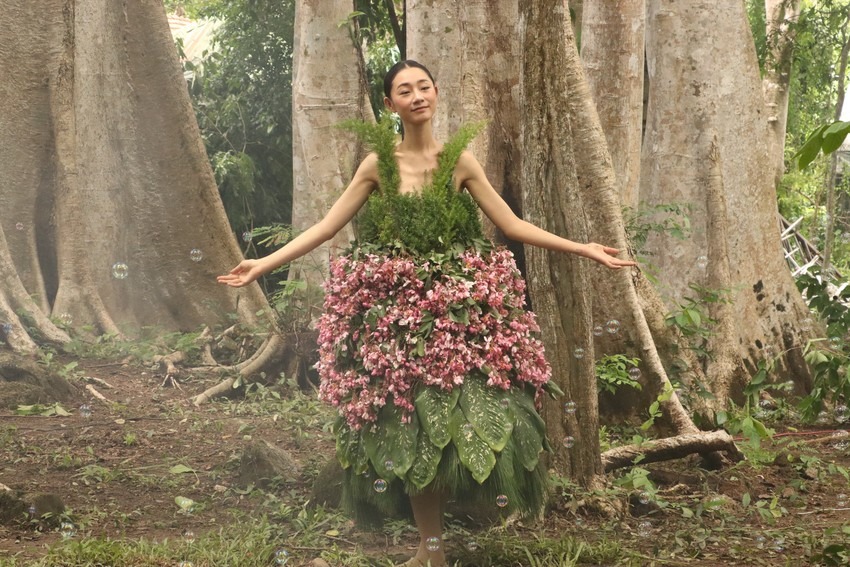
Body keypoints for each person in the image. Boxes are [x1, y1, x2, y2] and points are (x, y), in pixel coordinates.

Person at [219, 60, 635, 567]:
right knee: (409, 427)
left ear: (435, 93)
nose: (416, 96)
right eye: (403, 90)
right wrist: (262, 263)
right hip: (395, 319)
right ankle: (430, 550)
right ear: (390, 104)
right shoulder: (378, 165)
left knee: (459, 423)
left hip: (459, 316)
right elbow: (326, 227)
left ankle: (438, 543)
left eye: (423, 86)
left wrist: (583, 248)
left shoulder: (459, 160)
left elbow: (511, 224)